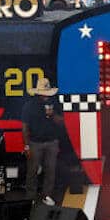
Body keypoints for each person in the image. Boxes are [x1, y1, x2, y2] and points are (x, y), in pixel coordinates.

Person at [21, 77, 63, 205]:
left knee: (51, 170)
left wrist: (52, 115)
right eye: (43, 93)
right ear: (38, 93)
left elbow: (61, 122)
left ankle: (47, 195)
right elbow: (24, 127)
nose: (46, 96)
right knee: (32, 171)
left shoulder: (55, 103)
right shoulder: (29, 106)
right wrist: (26, 146)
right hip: (35, 143)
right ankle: (30, 198)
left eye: (47, 93)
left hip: (52, 142)